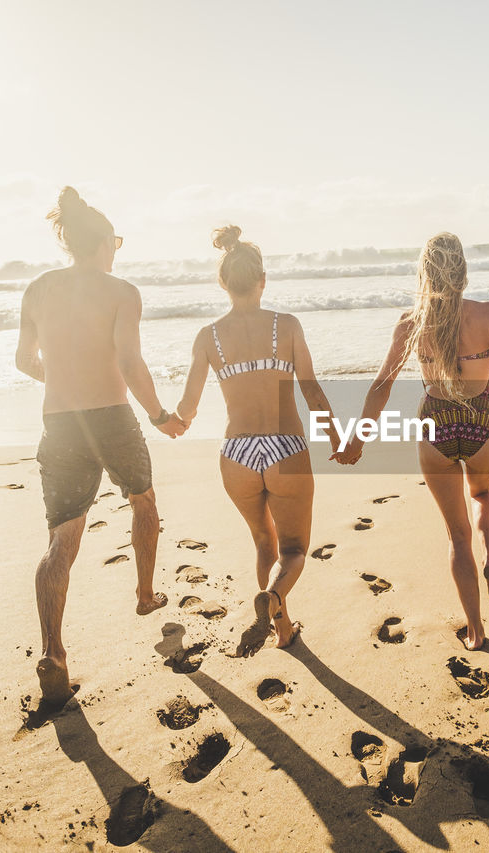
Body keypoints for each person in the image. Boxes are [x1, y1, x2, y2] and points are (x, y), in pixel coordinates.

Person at [337, 232, 489, 651]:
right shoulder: (488, 315)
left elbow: (381, 386)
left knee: (455, 535)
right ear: (463, 272)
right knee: (483, 494)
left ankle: (475, 629)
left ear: (423, 274)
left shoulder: (410, 323)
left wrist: (357, 439)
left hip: (436, 424)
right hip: (481, 420)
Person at [16, 187, 186, 707]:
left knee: (61, 542)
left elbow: (24, 359)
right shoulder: (121, 292)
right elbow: (129, 363)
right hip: (112, 419)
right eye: (115, 241)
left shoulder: (38, 290)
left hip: (60, 424)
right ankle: (144, 595)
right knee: (144, 501)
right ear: (104, 244)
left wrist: (58, 377)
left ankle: (53, 651)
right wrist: (159, 415)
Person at [175, 225, 345, 655]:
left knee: (263, 542)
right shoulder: (286, 325)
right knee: (294, 550)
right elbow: (311, 389)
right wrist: (337, 437)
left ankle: (282, 629)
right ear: (263, 280)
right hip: (285, 447)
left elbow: (188, 407)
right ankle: (271, 601)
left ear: (223, 283)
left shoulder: (208, 337)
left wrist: (169, 421)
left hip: (237, 454)